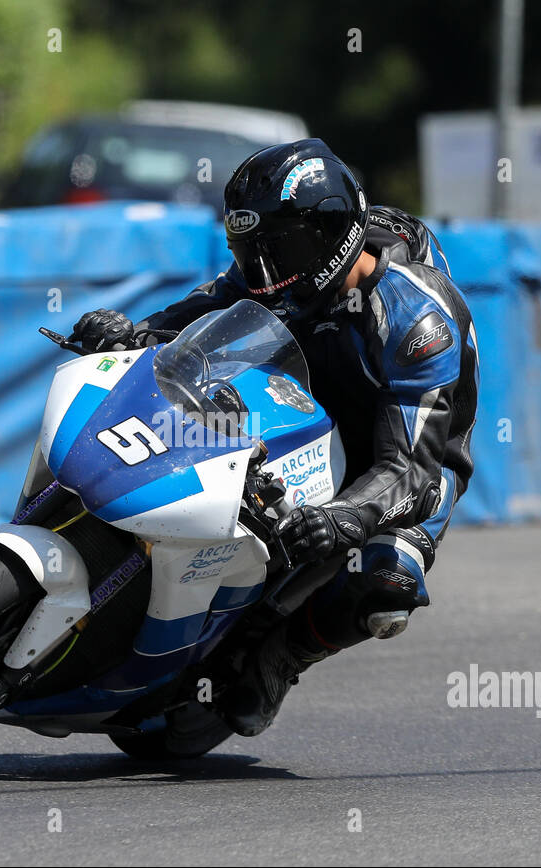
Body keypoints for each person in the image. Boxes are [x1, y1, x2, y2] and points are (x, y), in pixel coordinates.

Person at [70, 139, 479, 736]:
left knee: (385, 579)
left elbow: (410, 473)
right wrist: (135, 333)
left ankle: (283, 653)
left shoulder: (416, 322)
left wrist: (345, 517)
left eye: (276, 252)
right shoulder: (282, 267)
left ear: (334, 233)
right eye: (251, 255)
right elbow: (206, 309)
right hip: (304, 415)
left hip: (406, 458)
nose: (262, 275)